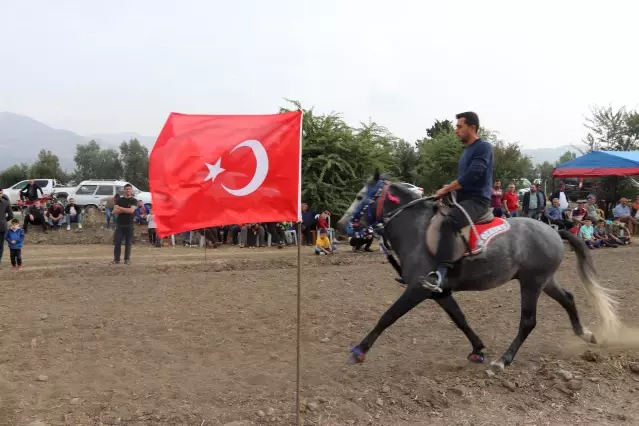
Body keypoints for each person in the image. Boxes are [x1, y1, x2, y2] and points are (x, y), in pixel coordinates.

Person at [428, 112, 493, 292]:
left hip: (478, 201)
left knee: (449, 223)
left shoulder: (483, 147)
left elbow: (474, 175)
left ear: (472, 128)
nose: (456, 131)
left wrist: (447, 189)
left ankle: (440, 275)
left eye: (459, 127)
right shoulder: (466, 151)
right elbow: (463, 179)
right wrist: (447, 190)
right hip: (462, 199)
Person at [111, 184, 137, 265]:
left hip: (129, 224)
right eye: (126, 189)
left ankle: (127, 259)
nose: (128, 190)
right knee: (117, 242)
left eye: (129, 189)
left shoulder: (134, 200)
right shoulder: (119, 200)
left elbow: (131, 211)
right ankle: (116, 259)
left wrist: (121, 208)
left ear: (131, 190)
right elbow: (114, 211)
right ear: (124, 190)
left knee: (128, 243)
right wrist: (126, 210)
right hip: (120, 224)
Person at [0, 189, 14, 268]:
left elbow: (11, 215)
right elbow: (11, 216)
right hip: (2, 226)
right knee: (0, 246)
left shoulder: (6, 203)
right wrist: (4, 220)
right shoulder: (6, 203)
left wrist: (4, 220)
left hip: (1, 228)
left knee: (0, 246)